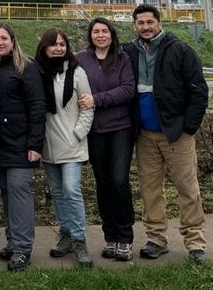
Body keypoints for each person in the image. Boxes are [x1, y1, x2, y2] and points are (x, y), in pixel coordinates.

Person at [123, 4, 209, 264]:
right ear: (135, 26)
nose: (145, 27)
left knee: (187, 188)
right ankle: (156, 239)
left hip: (176, 135)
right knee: (150, 190)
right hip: (145, 136)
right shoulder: (128, 52)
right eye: (140, 23)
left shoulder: (180, 50)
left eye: (150, 22)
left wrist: (188, 127)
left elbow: (199, 91)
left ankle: (195, 242)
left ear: (159, 23)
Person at [75, 17, 137, 261]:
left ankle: (125, 237)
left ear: (112, 34)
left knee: (119, 180)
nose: (100, 35)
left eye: (104, 31)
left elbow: (128, 90)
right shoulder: (81, 59)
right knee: (102, 183)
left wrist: (96, 100)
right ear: (90, 36)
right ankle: (110, 236)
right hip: (94, 130)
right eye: (96, 31)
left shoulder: (122, 58)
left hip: (120, 128)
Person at [0, 23, 46, 272]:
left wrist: (35, 143)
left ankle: (23, 248)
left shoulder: (26, 67)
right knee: (6, 192)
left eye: (4, 38)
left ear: (12, 41)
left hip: (21, 143)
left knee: (19, 191)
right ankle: (13, 240)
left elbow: (37, 105)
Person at [35, 27, 94, 267]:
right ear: (45, 47)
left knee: (71, 190)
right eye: (54, 44)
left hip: (72, 144)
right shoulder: (37, 72)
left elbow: (87, 107)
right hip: (48, 146)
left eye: (62, 44)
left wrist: (77, 133)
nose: (58, 48)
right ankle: (66, 235)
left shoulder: (77, 72)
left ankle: (80, 240)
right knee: (58, 193)